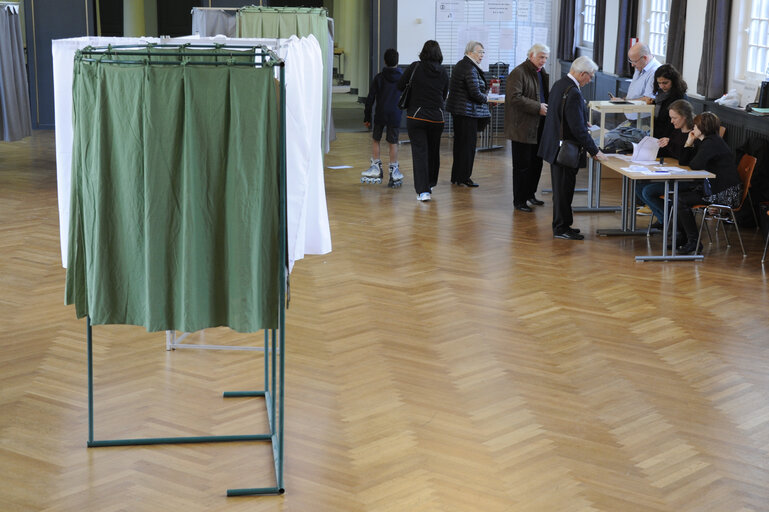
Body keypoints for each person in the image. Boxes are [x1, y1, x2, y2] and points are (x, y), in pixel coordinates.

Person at [539, 56, 607, 240]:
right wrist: (595, 150)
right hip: (565, 150)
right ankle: (561, 228)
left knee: (563, 189)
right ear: (583, 73)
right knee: (563, 190)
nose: (590, 80)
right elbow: (577, 130)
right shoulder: (574, 92)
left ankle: (564, 224)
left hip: (554, 146)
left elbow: (563, 116)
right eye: (590, 76)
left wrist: (579, 119)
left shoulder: (560, 84)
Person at [675, 112, 742, 254]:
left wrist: (690, 143)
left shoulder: (711, 143)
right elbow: (684, 161)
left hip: (725, 193)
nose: (693, 129)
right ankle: (685, 239)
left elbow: (694, 164)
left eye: (695, 126)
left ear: (702, 127)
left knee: (680, 199)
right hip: (718, 188)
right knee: (678, 195)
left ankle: (693, 242)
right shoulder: (708, 141)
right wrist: (689, 142)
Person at [397, 40, 449, 202]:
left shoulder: (415, 67)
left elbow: (400, 85)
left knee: (420, 153)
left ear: (423, 52)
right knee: (434, 152)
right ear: (439, 54)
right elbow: (444, 93)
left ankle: (422, 191)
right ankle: (430, 183)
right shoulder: (443, 71)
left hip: (416, 116)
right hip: (437, 117)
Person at [636, 99, 695, 229]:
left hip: (689, 179)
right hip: (673, 172)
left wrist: (671, 144)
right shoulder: (676, 131)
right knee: (639, 187)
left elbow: (684, 159)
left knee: (648, 191)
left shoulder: (693, 134)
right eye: (671, 117)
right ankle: (665, 220)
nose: (672, 121)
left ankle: (672, 222)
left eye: (674, 118)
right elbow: (671, 152)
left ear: (685, 117)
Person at [505, 43, 550, 212]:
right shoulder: (518, 72)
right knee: (522, 166)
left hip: (539, 126)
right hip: (522, 127)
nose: (543, 60)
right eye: (541, 57)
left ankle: (530, 194)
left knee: (536, 163)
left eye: (545, 57)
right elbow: (514, 98)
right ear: (531, 55)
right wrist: (537, 107)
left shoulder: (541, 72)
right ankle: (519, 200)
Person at [446, 41, 491, 188]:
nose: (482, 55)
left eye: (483, 52)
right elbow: (474, 92)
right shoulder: (469, 67)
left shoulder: (462, 64)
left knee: (460, 145)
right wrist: (487, 99)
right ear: (470, 52)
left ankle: (457, 176)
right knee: (467, 146)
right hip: (467, 113)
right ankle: (464, 177)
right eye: (480, 52)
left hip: (461, 112)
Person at [602, 43, 661, 152]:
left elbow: (648, 100)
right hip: (632, 120)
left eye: (634, 61)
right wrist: (622, 100)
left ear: (645, 58)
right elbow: (635, 95)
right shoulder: (640, 67)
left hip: (643, 122)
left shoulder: (655, 71)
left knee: (606, 140)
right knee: (601, 139)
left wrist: (624, 101)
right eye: (631, 61)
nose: (632, 65)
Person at [361, 48, 404, 188]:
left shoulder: (379, 78)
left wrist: (367, 116)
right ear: (397, 61)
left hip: (380, 113)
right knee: (393, 142)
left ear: (385, 61)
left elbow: (370, 98)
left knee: (376, 139)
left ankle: (375, 166)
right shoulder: (402, 78)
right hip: (395, 113)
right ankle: (394, 169)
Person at [645, 64, 688, 139]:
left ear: (673, 81)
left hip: (670, 138)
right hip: (657, 135)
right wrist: (652, 104)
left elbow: (677, 124)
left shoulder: (680, 97)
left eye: (665, 83)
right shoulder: (661, 94)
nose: (661, 86)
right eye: (659, 83)